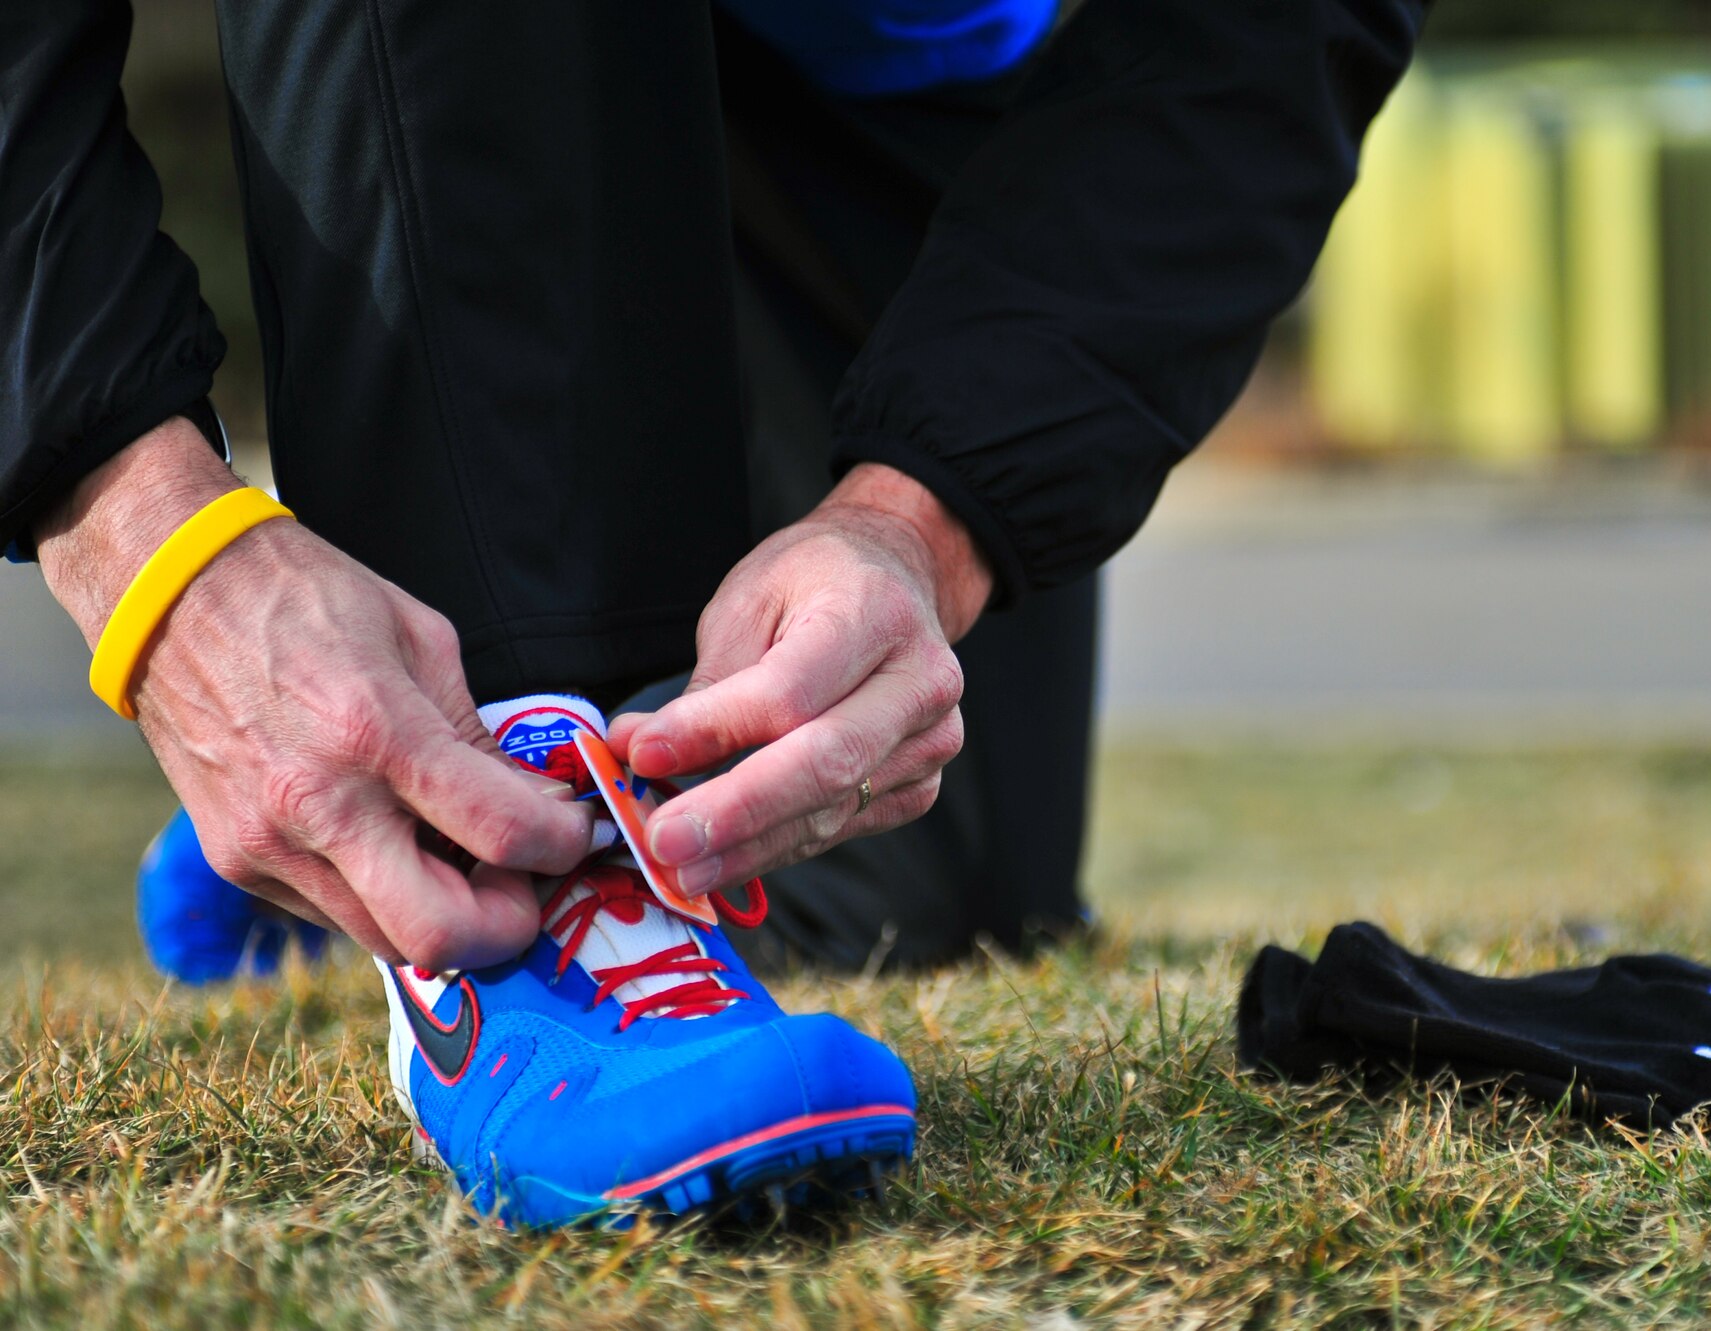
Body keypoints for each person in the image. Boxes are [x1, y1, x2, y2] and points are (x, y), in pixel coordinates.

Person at [1, 0, 1427, 1227]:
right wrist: (147, 544)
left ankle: (357, 806)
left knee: (903, 870)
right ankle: (490, 850)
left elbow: (1275, 38)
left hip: (894, 67)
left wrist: (916, 526)